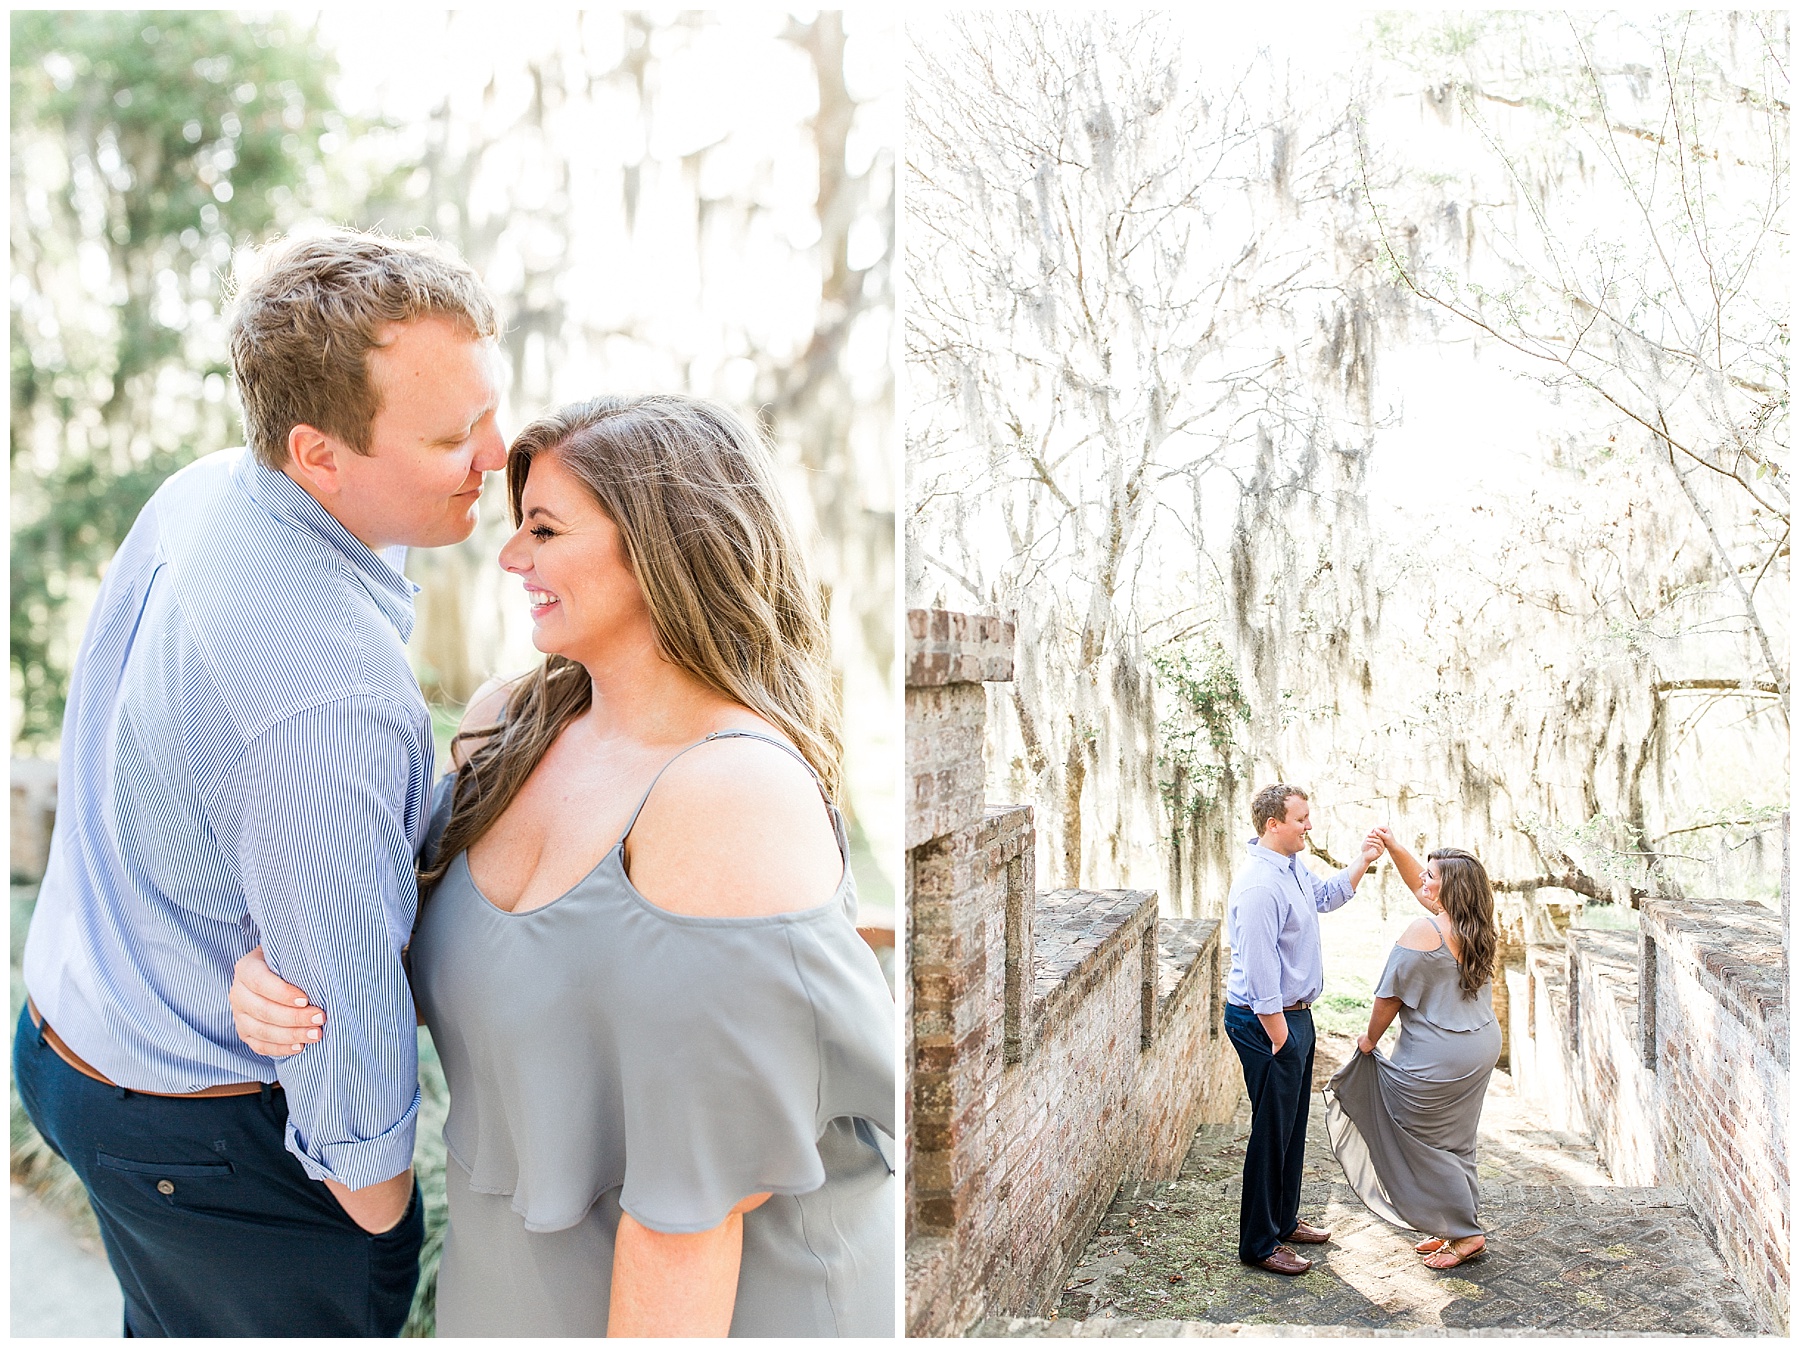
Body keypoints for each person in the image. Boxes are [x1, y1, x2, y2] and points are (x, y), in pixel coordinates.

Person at [228, 395, 897, 1336]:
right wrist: (275, 976)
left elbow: (693, 1221)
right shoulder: (507, 728)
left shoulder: (731, 796)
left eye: (543, 529)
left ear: (668, 547)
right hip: (506, 1288)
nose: (509, 558)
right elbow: (432, 960)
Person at [14, 230, 506, 1335]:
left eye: (488, 410)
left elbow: (160, 774)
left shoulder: (210, 493)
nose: (498, 451)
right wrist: (378, 1211)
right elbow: (349, 1059)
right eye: (451, 435)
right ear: (319, 452)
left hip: (67, 1030)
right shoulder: (327, 699)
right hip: (202, 1138)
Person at [1223, 783, 1383, 1276]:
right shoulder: (1258, 885)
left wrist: (1363, 859)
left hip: (1294, 1016)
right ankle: (1259, 1244)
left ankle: (1284, 1220)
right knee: (1271, 1132)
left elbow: (1327, 897)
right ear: (1273, 824)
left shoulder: (1290, 868)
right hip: (1266, 1021)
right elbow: (1259, 968)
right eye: (1301, 819)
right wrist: (1279, 1036)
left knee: (1291, 1127)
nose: (1309, 826)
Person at [1323, 829, 1501, 1270]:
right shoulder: (1475, 925)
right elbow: (1422, 885)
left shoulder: (1423, 930)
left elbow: (1389, 996)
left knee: (1414, 1138)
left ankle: (1466, 1232)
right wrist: (1397, 848)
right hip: (1479, 1046)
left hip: (1438, 1054)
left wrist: (1369, 1040)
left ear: (1449, 888)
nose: (1423, 879)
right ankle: (1453, 1225)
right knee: (1454, 1141)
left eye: (1432, 875)